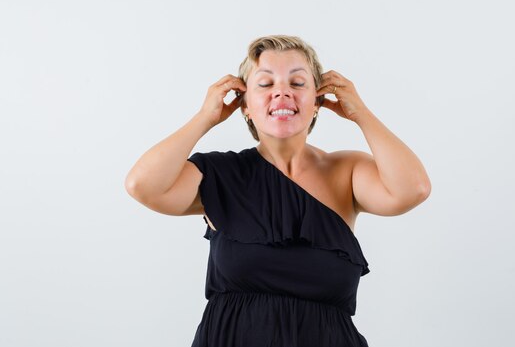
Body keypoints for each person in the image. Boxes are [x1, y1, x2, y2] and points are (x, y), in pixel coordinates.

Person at [124, 35, 431, 347]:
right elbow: (143, 185)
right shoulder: (219, 174)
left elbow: (413, 189)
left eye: (297, 83)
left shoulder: (346, 171)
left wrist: (360, 113)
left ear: (318, 102)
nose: (282, 91)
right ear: (244, 105)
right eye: (265, 83)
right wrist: (205, 118)